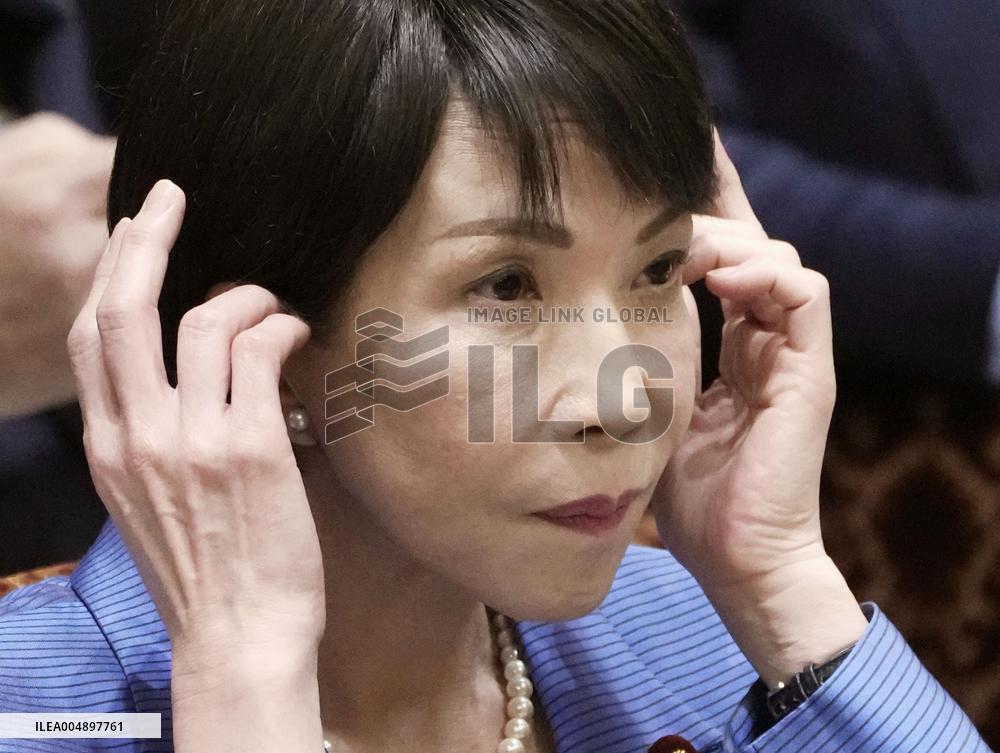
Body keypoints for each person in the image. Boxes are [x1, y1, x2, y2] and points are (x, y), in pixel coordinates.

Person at [0, 2, 991, 752]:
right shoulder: (35, 706)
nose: (627, 397)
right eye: (505, 286)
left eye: (657, 272)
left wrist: (776, 580)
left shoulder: (696, 627)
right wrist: (246, 683)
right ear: (258, 341)